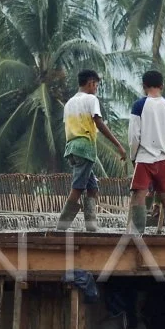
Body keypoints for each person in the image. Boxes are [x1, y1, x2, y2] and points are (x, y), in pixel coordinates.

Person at [58, 70, 127, 232]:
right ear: (90, 83)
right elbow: (98, 122)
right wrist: (118, 145)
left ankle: (91, 226)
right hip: (85, 148)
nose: (96, 88)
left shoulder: (69, 103)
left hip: (72, 148)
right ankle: (61, 228)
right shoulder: (91, 99)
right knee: (77, 187)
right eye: (96, 85)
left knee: (92, 187)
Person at [128, 71, 165, 234]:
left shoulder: (139, 105)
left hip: (144, 158)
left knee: (140, 194)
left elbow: (134, 135)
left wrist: (133, 156)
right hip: (163, 159)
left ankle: (138, 232)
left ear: (144, 86)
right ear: (162, 86)